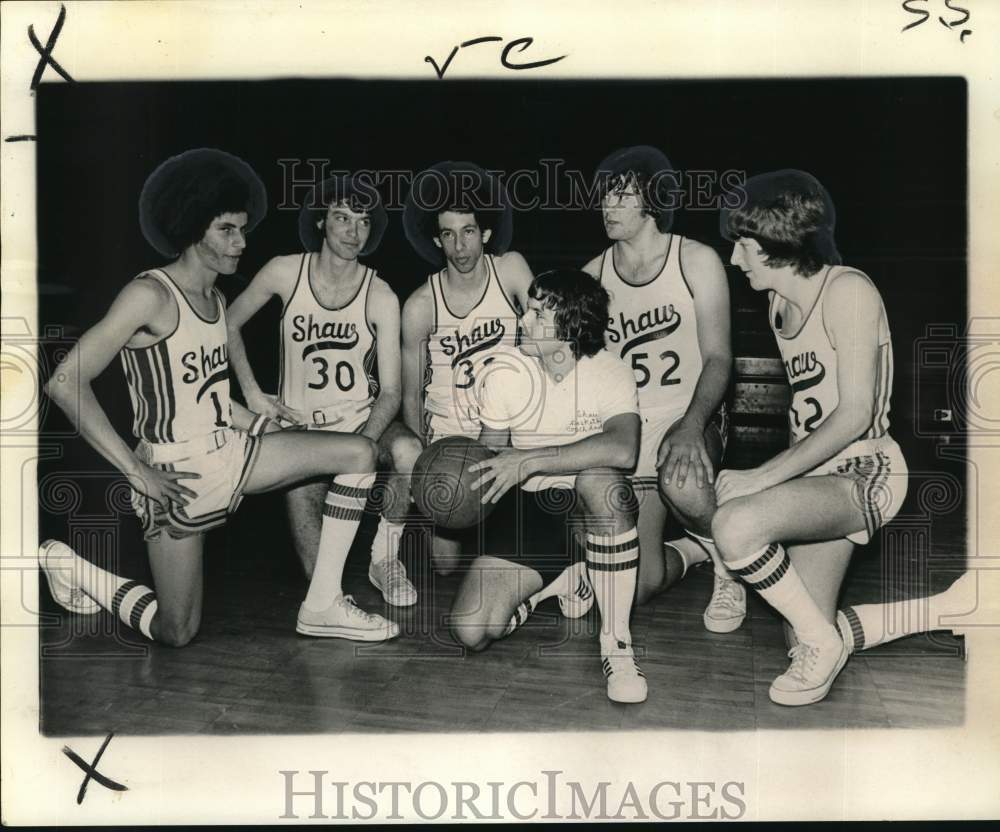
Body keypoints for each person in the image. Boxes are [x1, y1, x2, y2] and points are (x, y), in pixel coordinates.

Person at [39, 149, 398, 646]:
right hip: (176, 473)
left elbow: (207, 396)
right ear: (192, 228)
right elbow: (64, 383)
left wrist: (258, 418)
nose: (241, 242)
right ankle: (70, 565)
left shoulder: (216, 299)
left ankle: (322, 604)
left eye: (243, 229)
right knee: (176, 629)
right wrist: (135, 470)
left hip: (230, 449)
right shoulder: (150, 295)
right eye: (227, 230)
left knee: (358, 450)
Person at [712, 169, 908, 705]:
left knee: (735, 523)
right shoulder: (779, 304)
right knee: (800, 636)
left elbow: (853, 416)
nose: (735, 260)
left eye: (744, 247)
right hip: (821, 478)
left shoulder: (848, 289)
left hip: (868, 471)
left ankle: (813, 631)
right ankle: (932, 612)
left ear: (777, 243)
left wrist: (763, 477)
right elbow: (807, 412)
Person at [450, 269, 648, 704]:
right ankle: (556, 583)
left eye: (539, 314)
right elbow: (488, 461)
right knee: (471, 630)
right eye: (527, 310)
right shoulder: (505, 373)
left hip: (584, 506)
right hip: (530, 509)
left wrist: (532, 459)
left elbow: (624, 448)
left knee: (603, 483)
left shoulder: (609, 369)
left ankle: (617, 644)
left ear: (572, 324)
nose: (524, 321)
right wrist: (446, 486)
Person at [226, 173, 419, 607]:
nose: (353, 232)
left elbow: (390, 390)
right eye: (342, 218)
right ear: (320, 222)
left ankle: (384, 557)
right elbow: (226, 324)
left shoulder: (380, 293)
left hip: (359, 422)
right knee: (319, 581)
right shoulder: (284, 270)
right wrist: (254, 395)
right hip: (302, 434)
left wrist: (361, 447)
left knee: (408, 451)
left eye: (363, 221)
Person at [583, 146, 743, 632]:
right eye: (605, 197)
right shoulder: (593, 275)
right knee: (637, 587)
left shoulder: (695, 259)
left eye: (623, 196)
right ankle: (698, 548)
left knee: (682, 478)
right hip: (631, 431)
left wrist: (693, 424)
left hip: (689, 414)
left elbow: (719, 358)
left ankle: (730, 569)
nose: (609, 207)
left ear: (651, 200)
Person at [400, 160, 533, 573]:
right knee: (443, 568)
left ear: (486, 234)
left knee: (523, 546)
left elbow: (551, 333)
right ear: (437, 241)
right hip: (450, 439)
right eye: (448, 235)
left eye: (469, 232)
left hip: (509, 430)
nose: (460, 247)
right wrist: (424, 461)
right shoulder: (421, 304)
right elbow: (410, 393)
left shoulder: (510, 269)